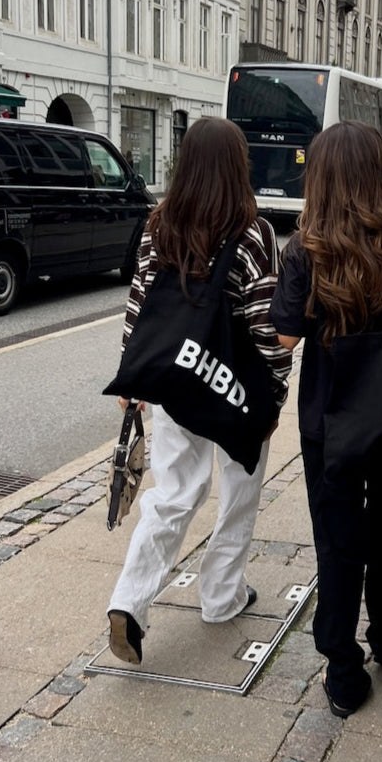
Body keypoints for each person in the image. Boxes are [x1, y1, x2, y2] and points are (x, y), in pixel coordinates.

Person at [269, 121, 382, 718]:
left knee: (337, 541)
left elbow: (286, 337)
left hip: (328, 422)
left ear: (317, 178)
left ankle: (342, 670)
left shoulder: (303, 251)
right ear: (378, 175)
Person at [106, 117, 291, 665]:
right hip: (232, 385)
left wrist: (132, 375)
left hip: (176, 380)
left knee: (173, 494)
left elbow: (141, 303)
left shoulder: (159, 222)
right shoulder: (251, 229)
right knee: (239, 492)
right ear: (239, 166)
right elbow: (264, 323)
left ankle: (129, 600)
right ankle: (220, 596)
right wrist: (274, 396)